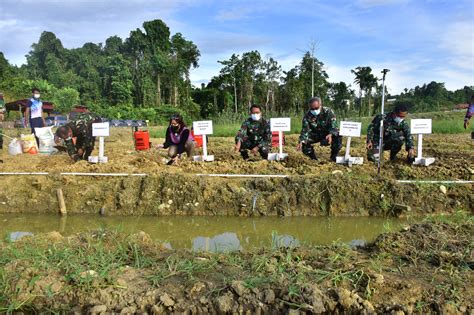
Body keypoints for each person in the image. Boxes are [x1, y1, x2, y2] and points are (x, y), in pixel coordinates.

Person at [297, 97, 342, 161]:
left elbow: (334, 126)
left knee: (337, 135)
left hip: (327, 134)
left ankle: (334, 156)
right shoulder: (307, 116)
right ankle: (313, 159)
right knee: (304, 142)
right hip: (316, 134)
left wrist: (330, 134)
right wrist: (301, 141)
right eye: (312, 109)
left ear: (320, 105)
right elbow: (305, 130)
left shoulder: (328, 112)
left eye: (316, 108)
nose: (314, 110)